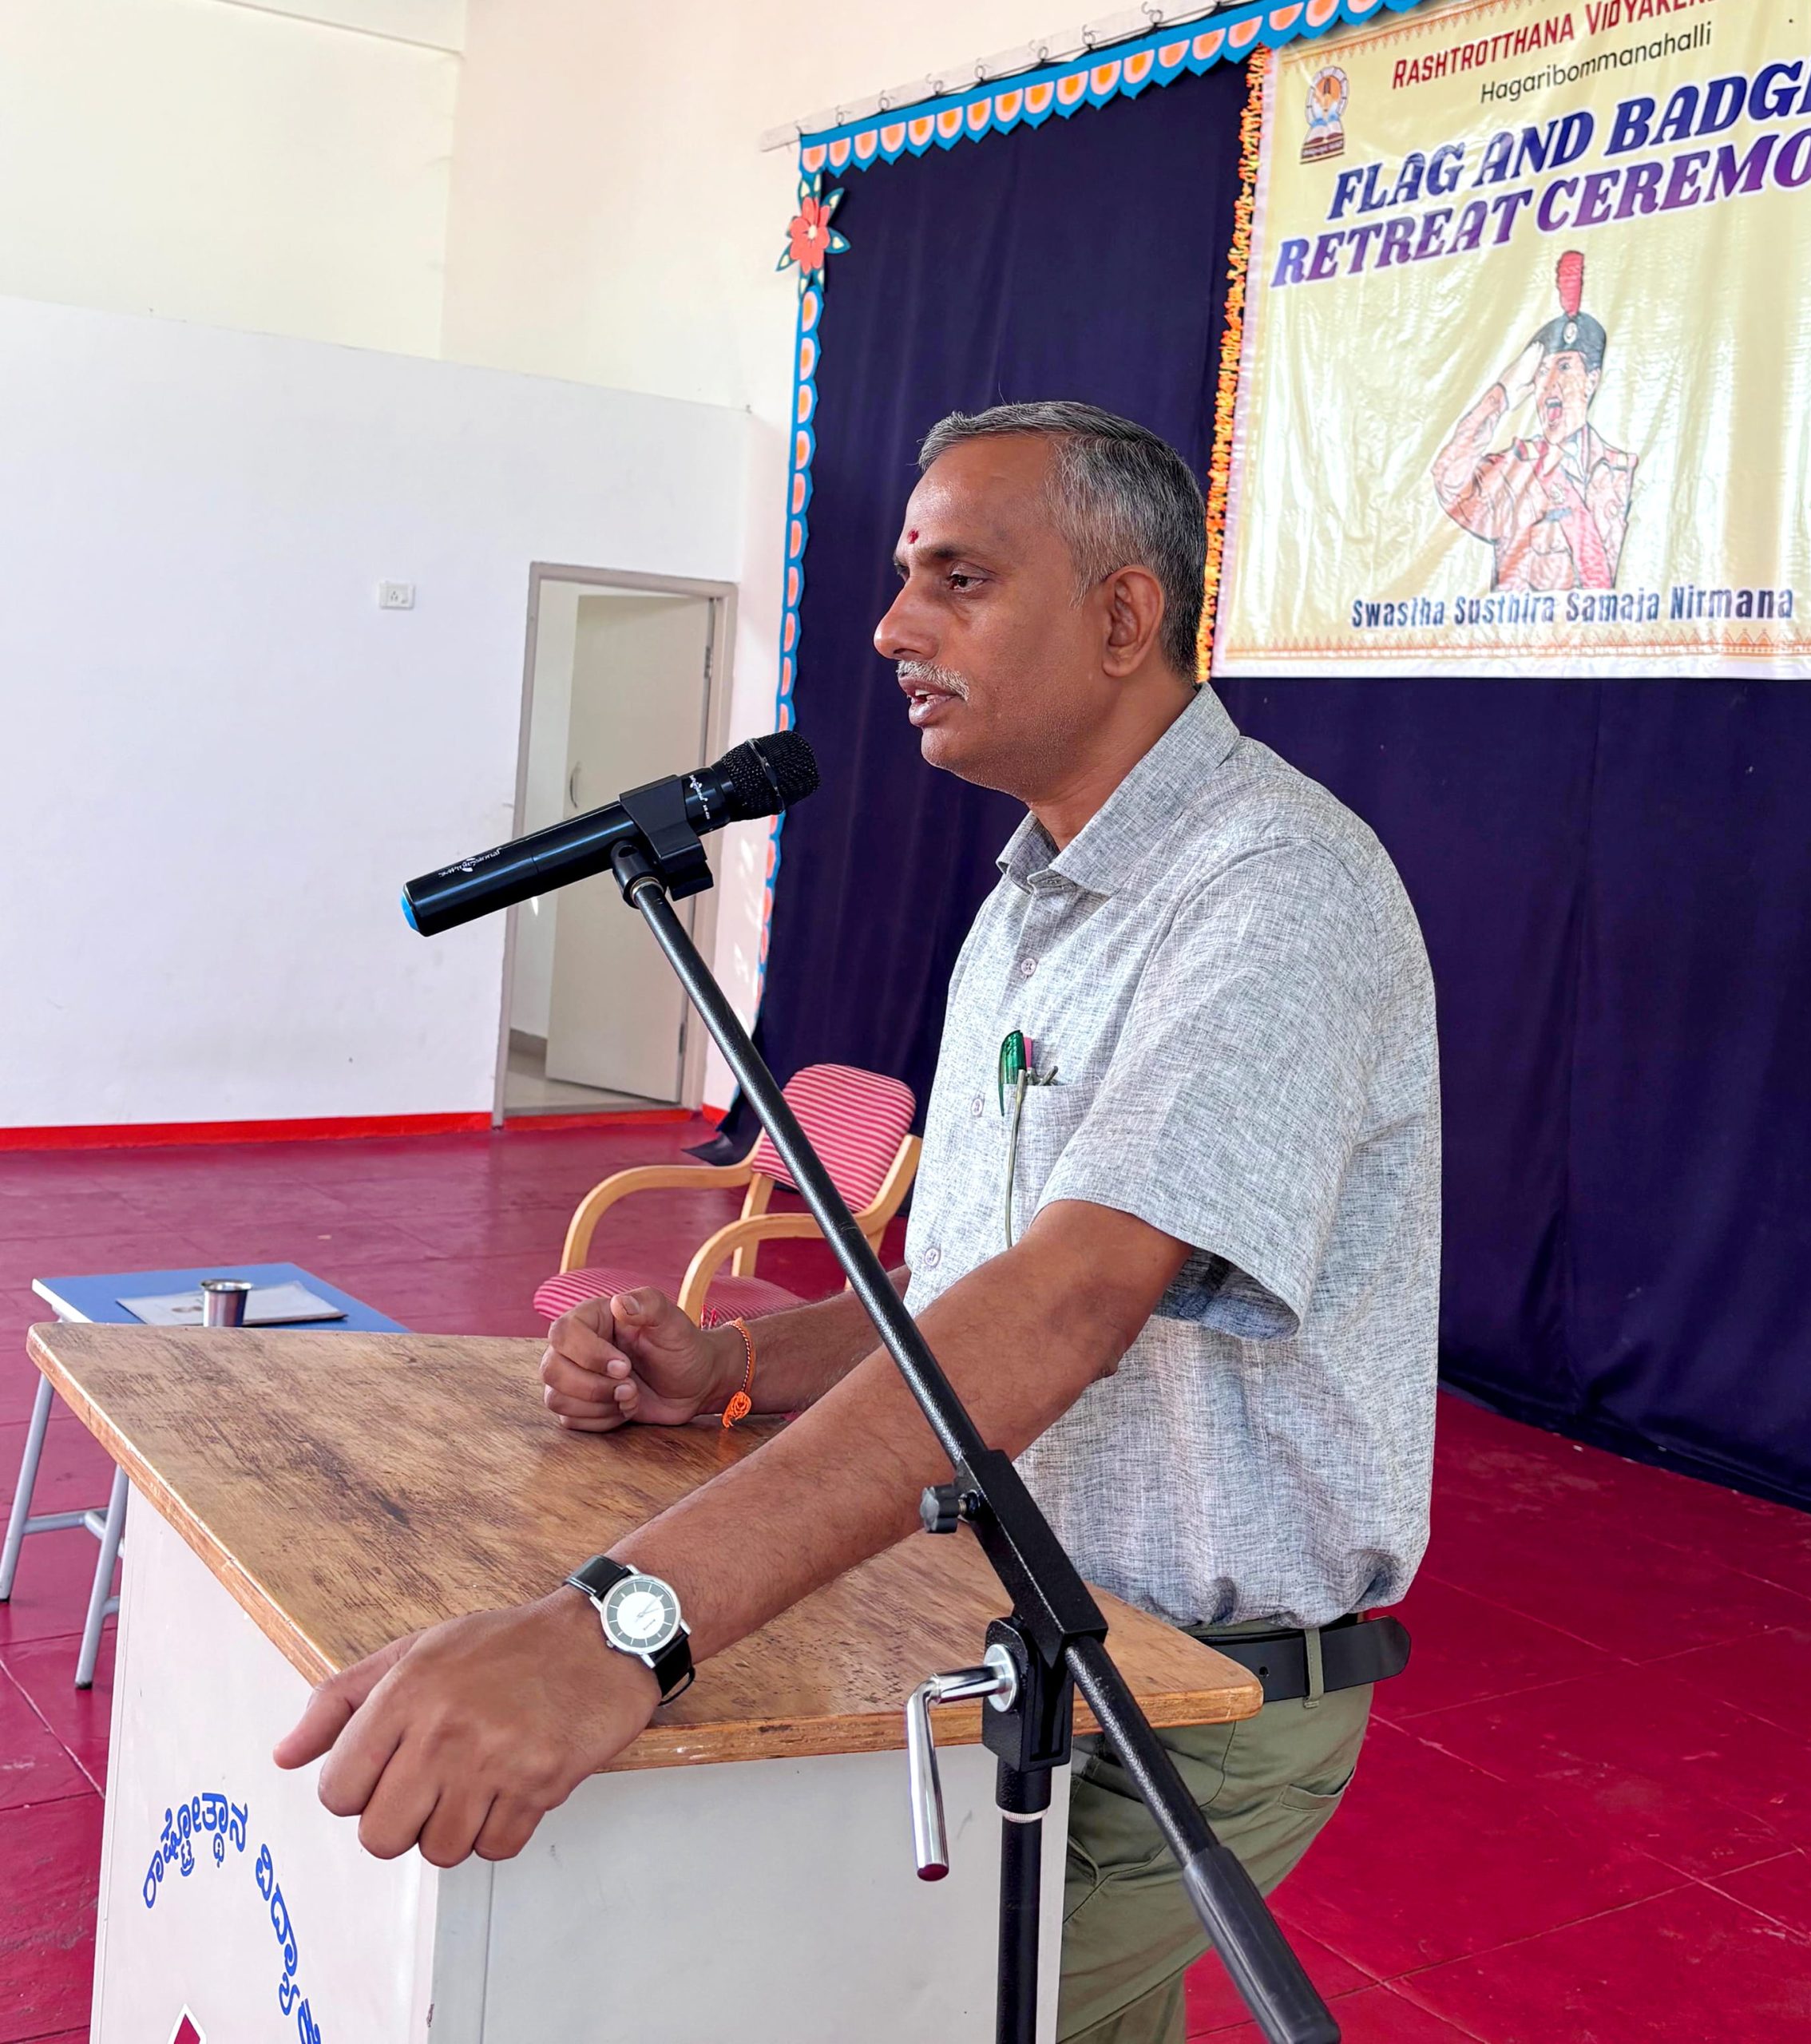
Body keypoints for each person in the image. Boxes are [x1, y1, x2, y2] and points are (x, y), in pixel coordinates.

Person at [275, 400, 1440, 2043]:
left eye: (957, 579)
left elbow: (1064, 1301)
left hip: (1175, 1696)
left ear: (1121, 614)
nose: (893, 628)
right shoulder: (1030, 895)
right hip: (1004, 1644)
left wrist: (618, 1626)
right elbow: (958, 1286)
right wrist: (733, 1355)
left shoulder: (1269, 891)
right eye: (903, 579)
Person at [1432, 250, 1638, 592]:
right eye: (1541, 372)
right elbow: (1448, 480)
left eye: (1565, 366)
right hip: (1523, 643)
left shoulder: (1623, 471)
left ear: (1592, 380)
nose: (1550, 382)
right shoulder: (1516, 470)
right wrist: (1502, 394)